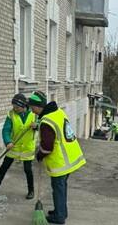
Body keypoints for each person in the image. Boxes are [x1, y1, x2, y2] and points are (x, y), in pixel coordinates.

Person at [29, 91, 86, 225]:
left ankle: (59, 216)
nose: (33, 112)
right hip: (71, 157)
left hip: (61, 161)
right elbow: (56, 129)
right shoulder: (57, 112)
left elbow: (47, 147)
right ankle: (61, 211)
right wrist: (38, 126)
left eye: (33, 108)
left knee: (58, 188)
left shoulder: (46, 121)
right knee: (62, 187)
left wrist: (39, 154)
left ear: (38, 106)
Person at [0, 93, 37, 200]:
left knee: (28, 170)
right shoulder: (11, 115)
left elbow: (42, 124)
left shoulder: (34, 114)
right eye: (13, 106)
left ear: (23, 106)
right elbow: (6, 130)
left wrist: (36, 126)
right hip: (14, 146)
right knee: (4, 167)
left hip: (27, 147)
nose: (15, 109)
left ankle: (31, 190)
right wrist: (8, 141)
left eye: (17, 107)